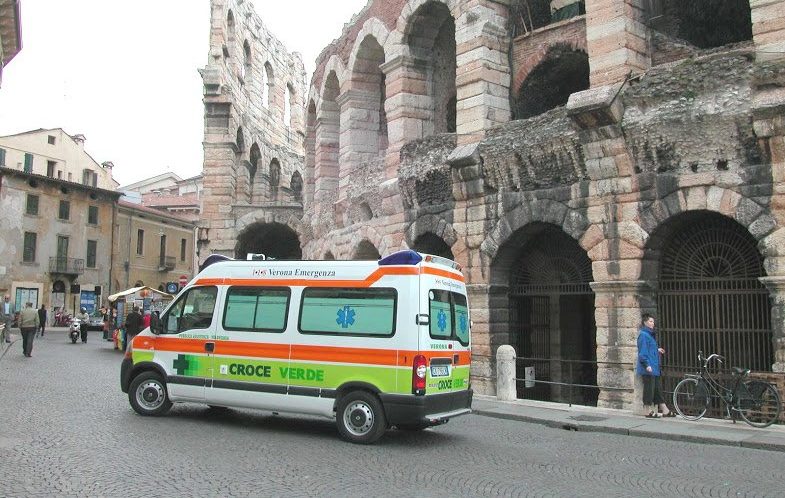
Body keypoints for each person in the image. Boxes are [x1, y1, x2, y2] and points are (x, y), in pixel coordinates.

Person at [636, 313, 674, 418]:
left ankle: (665, 410)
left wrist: (657, 350)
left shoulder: (649, 335)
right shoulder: (643, 335)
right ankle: (647, 411)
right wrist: (646, 365)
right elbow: (642, 352)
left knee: (657, 389)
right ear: (645, 322)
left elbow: (648, 348)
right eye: (650, 321)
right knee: (649, 389)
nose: (653, 323)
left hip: (654, 367)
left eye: (653, 321)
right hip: (648, 368)